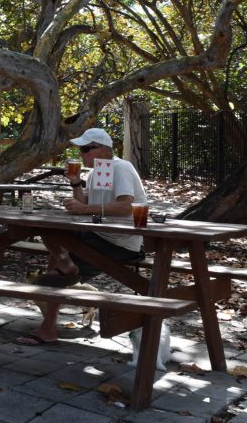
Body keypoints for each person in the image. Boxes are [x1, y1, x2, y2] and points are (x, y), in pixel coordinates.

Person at [15, 127, 148, 346]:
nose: (82, 154)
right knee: (48, 227)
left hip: (119, 242)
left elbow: (126, 206)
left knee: (52, 276)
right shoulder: (99, 170)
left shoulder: (121, 167)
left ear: (104, 150)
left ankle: (48, 327)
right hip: (98, 235)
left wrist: (84, 209)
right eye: (81, 150)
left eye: (86, 149)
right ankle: (65, 266)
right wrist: (76, 182)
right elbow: (88, 204)